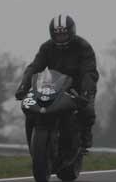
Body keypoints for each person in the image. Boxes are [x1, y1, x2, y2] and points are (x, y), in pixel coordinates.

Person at [15, 14, 99, 150]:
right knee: (30, 106)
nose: (61, 38)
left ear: (72, 32)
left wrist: (86, 93)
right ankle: (33, 138)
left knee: (87, 110)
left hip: (78, 86)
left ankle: (84, 138)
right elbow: (34, 67)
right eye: (57, 35)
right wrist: (23, 87)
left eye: (64, 35)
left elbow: (88, 72)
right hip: (53, 84)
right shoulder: (46, 47)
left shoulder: (83, 47)